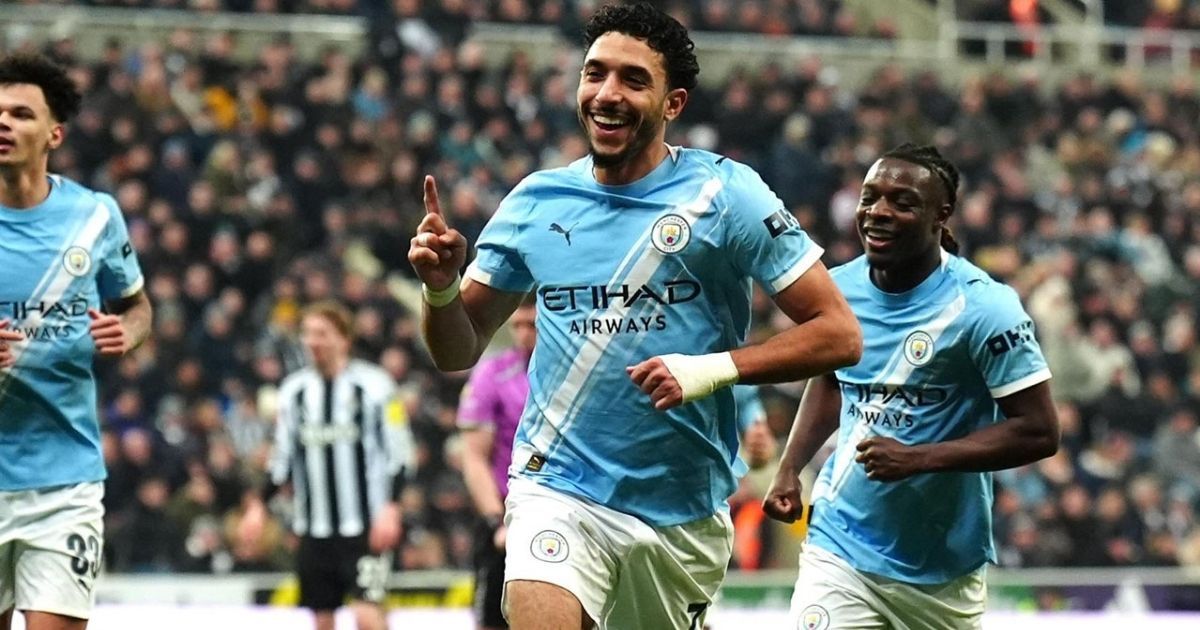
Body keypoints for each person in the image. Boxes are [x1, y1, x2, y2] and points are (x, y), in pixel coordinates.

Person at [408, 4, 862, 629]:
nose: (607, 94)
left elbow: (839, 334)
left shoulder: (726, 195)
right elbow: (456, 350)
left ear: (673, 104)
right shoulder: (536, 202)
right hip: (556, 486)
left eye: (633, 79)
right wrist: (440, 290)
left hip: (681, 510)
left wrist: (707, 371)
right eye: (595, 73)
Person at [764, 144, 1061, 629]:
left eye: (902, 202)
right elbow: (833, 381)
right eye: (869, 198)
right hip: (840, 547)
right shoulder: (837, 291)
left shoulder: (985, 308)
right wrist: (790, 466)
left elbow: (1039, 431)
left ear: (941, 215)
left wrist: (918, 458)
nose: (878, 212)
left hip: (942, 569)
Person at [0, 53, 152, 630]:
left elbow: (136, 306)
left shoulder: (94, 216)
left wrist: (128, 331)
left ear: (53, 135)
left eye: (20, 114)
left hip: (64, 482)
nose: (3, 123)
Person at [240, 300, 414, 630]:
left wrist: (391, 508)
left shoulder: (376, 386)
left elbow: (400, 453)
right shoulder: (293, 392)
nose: (313, 341)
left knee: (367, 614)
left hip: (366, 526)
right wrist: (259, 505)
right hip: (314, 529)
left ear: (344, 339)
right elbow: (282, 459)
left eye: (322, 333)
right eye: (307, 334)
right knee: (322, 618)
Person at [457, 298, 536, 630]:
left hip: (564, 506)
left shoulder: (575, 374)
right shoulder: (493, 373)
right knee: (492, 618)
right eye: (517, 325)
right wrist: (494, 520)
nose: (523, 334)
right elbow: (474, 456)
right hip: (505, 512)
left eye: (532, 326)